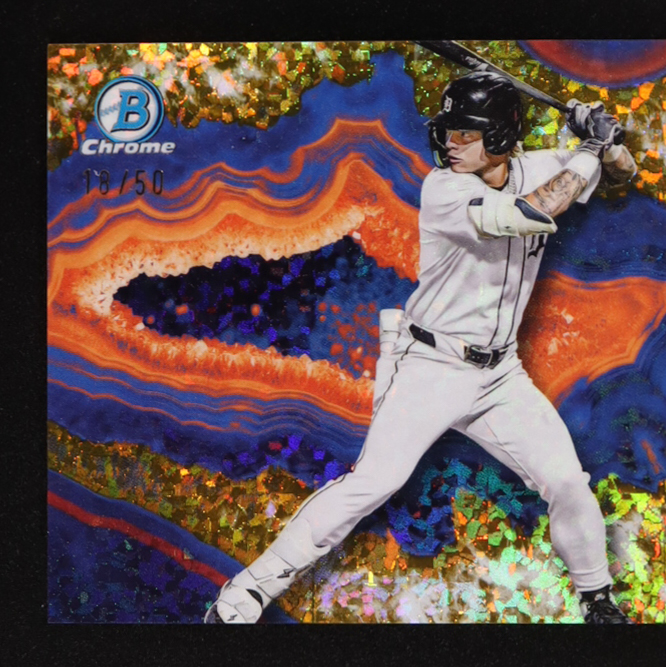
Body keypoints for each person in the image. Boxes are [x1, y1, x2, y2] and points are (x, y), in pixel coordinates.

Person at [205, 70, 638, 624]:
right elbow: (530, 213)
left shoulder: (543, 167)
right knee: (375, 483)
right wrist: (588, 149)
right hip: (430, 365)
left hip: (500, 374)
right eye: (449, 130)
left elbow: (621, 174)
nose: (450, 143)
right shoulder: (446, 189)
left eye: (465, 132)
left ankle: (597, 598)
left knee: (567, 481)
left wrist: (605, 138)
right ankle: (246, 593)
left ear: (501, 136)